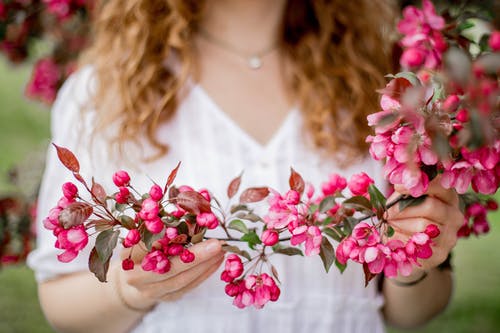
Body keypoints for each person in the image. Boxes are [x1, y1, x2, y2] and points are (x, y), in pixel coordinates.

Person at [27, 0, 463, 332]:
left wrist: (417, 261)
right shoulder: (105, 92)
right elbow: (60, 301)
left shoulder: (381, 86)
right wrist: (128, 290)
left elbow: (416, 309)